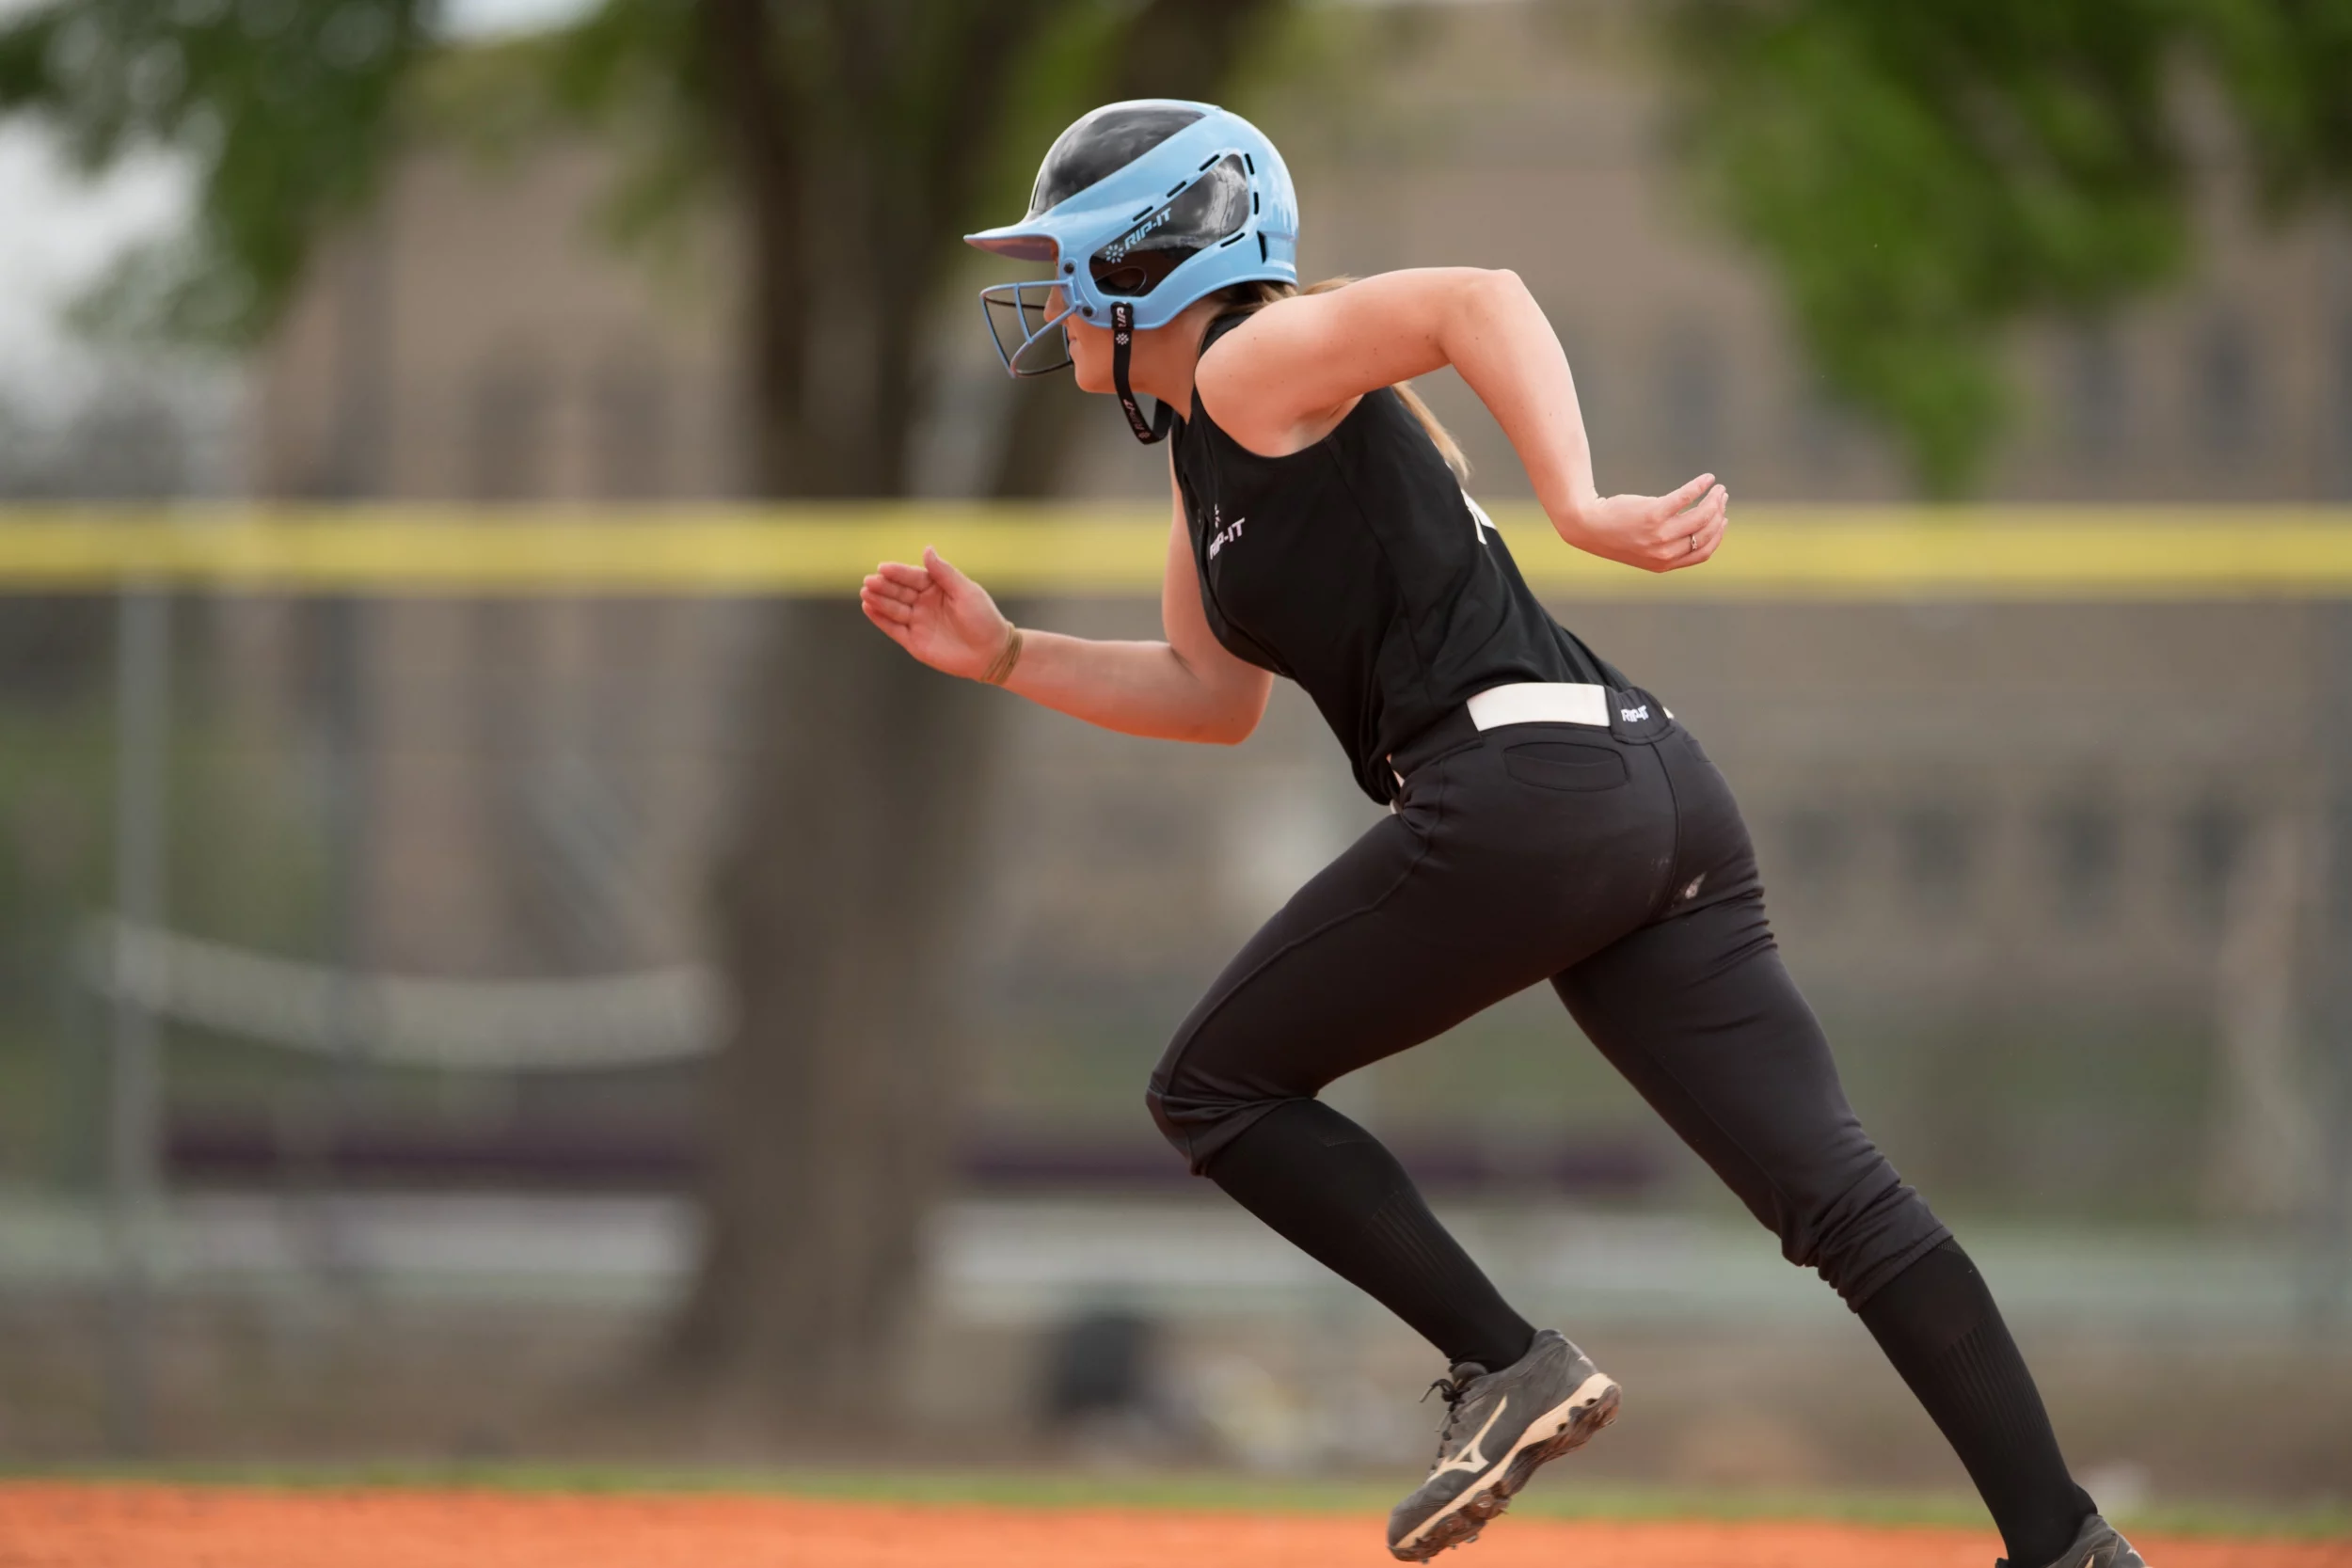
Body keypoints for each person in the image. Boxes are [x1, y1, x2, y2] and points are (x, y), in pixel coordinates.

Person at [860, 100, 2145, 1568]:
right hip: (1642, 787)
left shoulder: (1251, 356)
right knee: (1841, 1200)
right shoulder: (1203, 455)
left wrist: (1583, 505)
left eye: (1062, 248)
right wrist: (1013, 654)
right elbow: (1209, 699)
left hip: (1525, 791)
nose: (1042, 284)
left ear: (1153, 250)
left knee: (1213, 1085)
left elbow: (1483, 299)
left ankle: (1508, 1363)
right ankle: (2071, 1548)